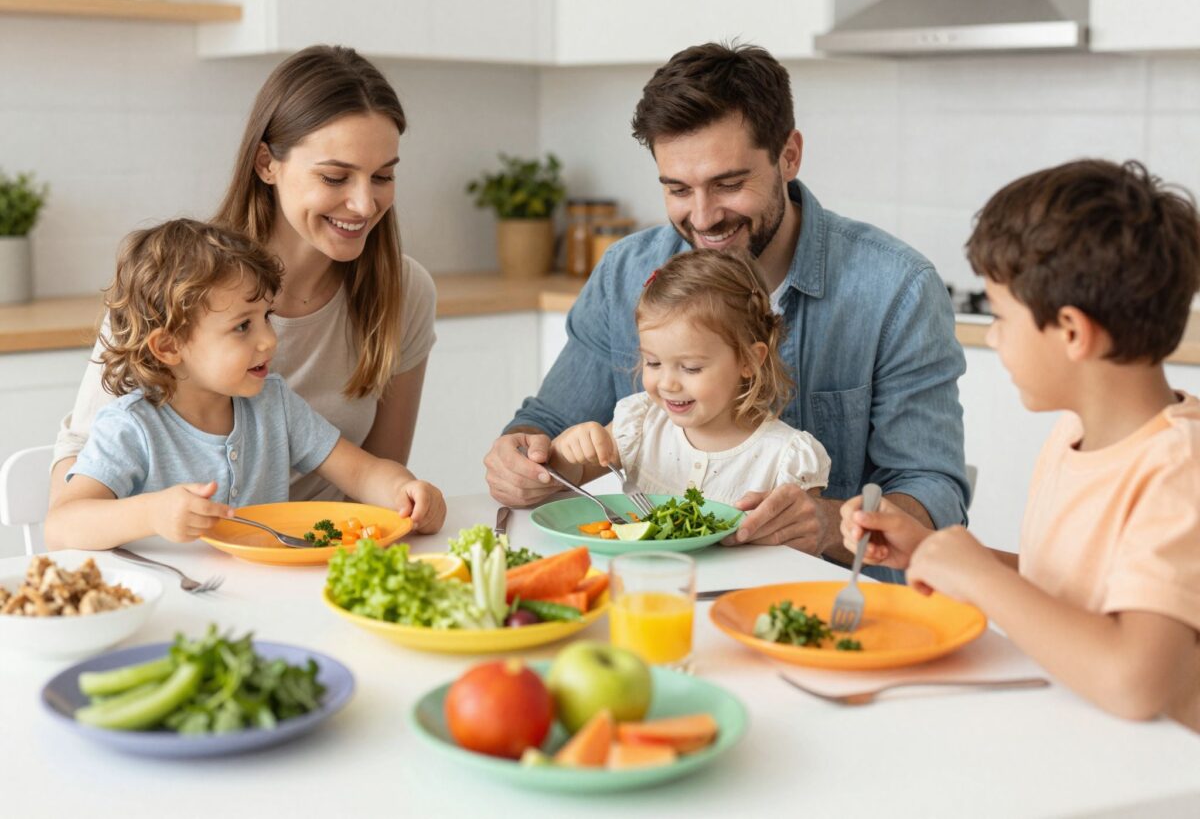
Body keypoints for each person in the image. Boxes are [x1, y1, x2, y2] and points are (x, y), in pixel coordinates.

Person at [485, 42, 968, 578]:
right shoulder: (626, 271)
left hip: (821, 602)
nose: (703, 217)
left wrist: (828, 524)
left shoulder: (895, 289)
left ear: (789, 155)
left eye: (729, 184)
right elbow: (550, 424)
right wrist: (523, 459)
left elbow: (934, 494)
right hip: (654, 591)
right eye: (678, 189)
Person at [840, 159, 1200, 729]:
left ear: (1072, 332)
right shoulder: (1076, 436)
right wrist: (939, 551)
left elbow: (1134, 681)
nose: (993, 336)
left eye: (1001, 316)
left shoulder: (1179, 470)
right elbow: (1065, 593)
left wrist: (980, 578)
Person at [50, 45, 438, 510]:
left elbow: (379, 485)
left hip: (322, 548)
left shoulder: (404, 291)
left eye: (382, 177)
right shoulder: (180, 285)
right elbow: (76, 475)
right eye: (335, 178)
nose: (364, 204)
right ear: (266, 163)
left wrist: (409, 501)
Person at [46, 219, 445, 550]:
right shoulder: (131, 426)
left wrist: (405, 491)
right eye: (242, 326)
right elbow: (62, 525)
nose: (269, 339)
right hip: (170, 599)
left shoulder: (274, 403)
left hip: (261, 592)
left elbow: (360, 473)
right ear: (168, 346)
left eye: (266, 317)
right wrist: (152, 514)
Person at [550, 248, 831, 509]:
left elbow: (804, 536)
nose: (667, 384)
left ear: (749, 360)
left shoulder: (787, 458)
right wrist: (567, 451)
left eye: (691, 368)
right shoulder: (640, 423)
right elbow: (565, 477)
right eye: (653, 363)